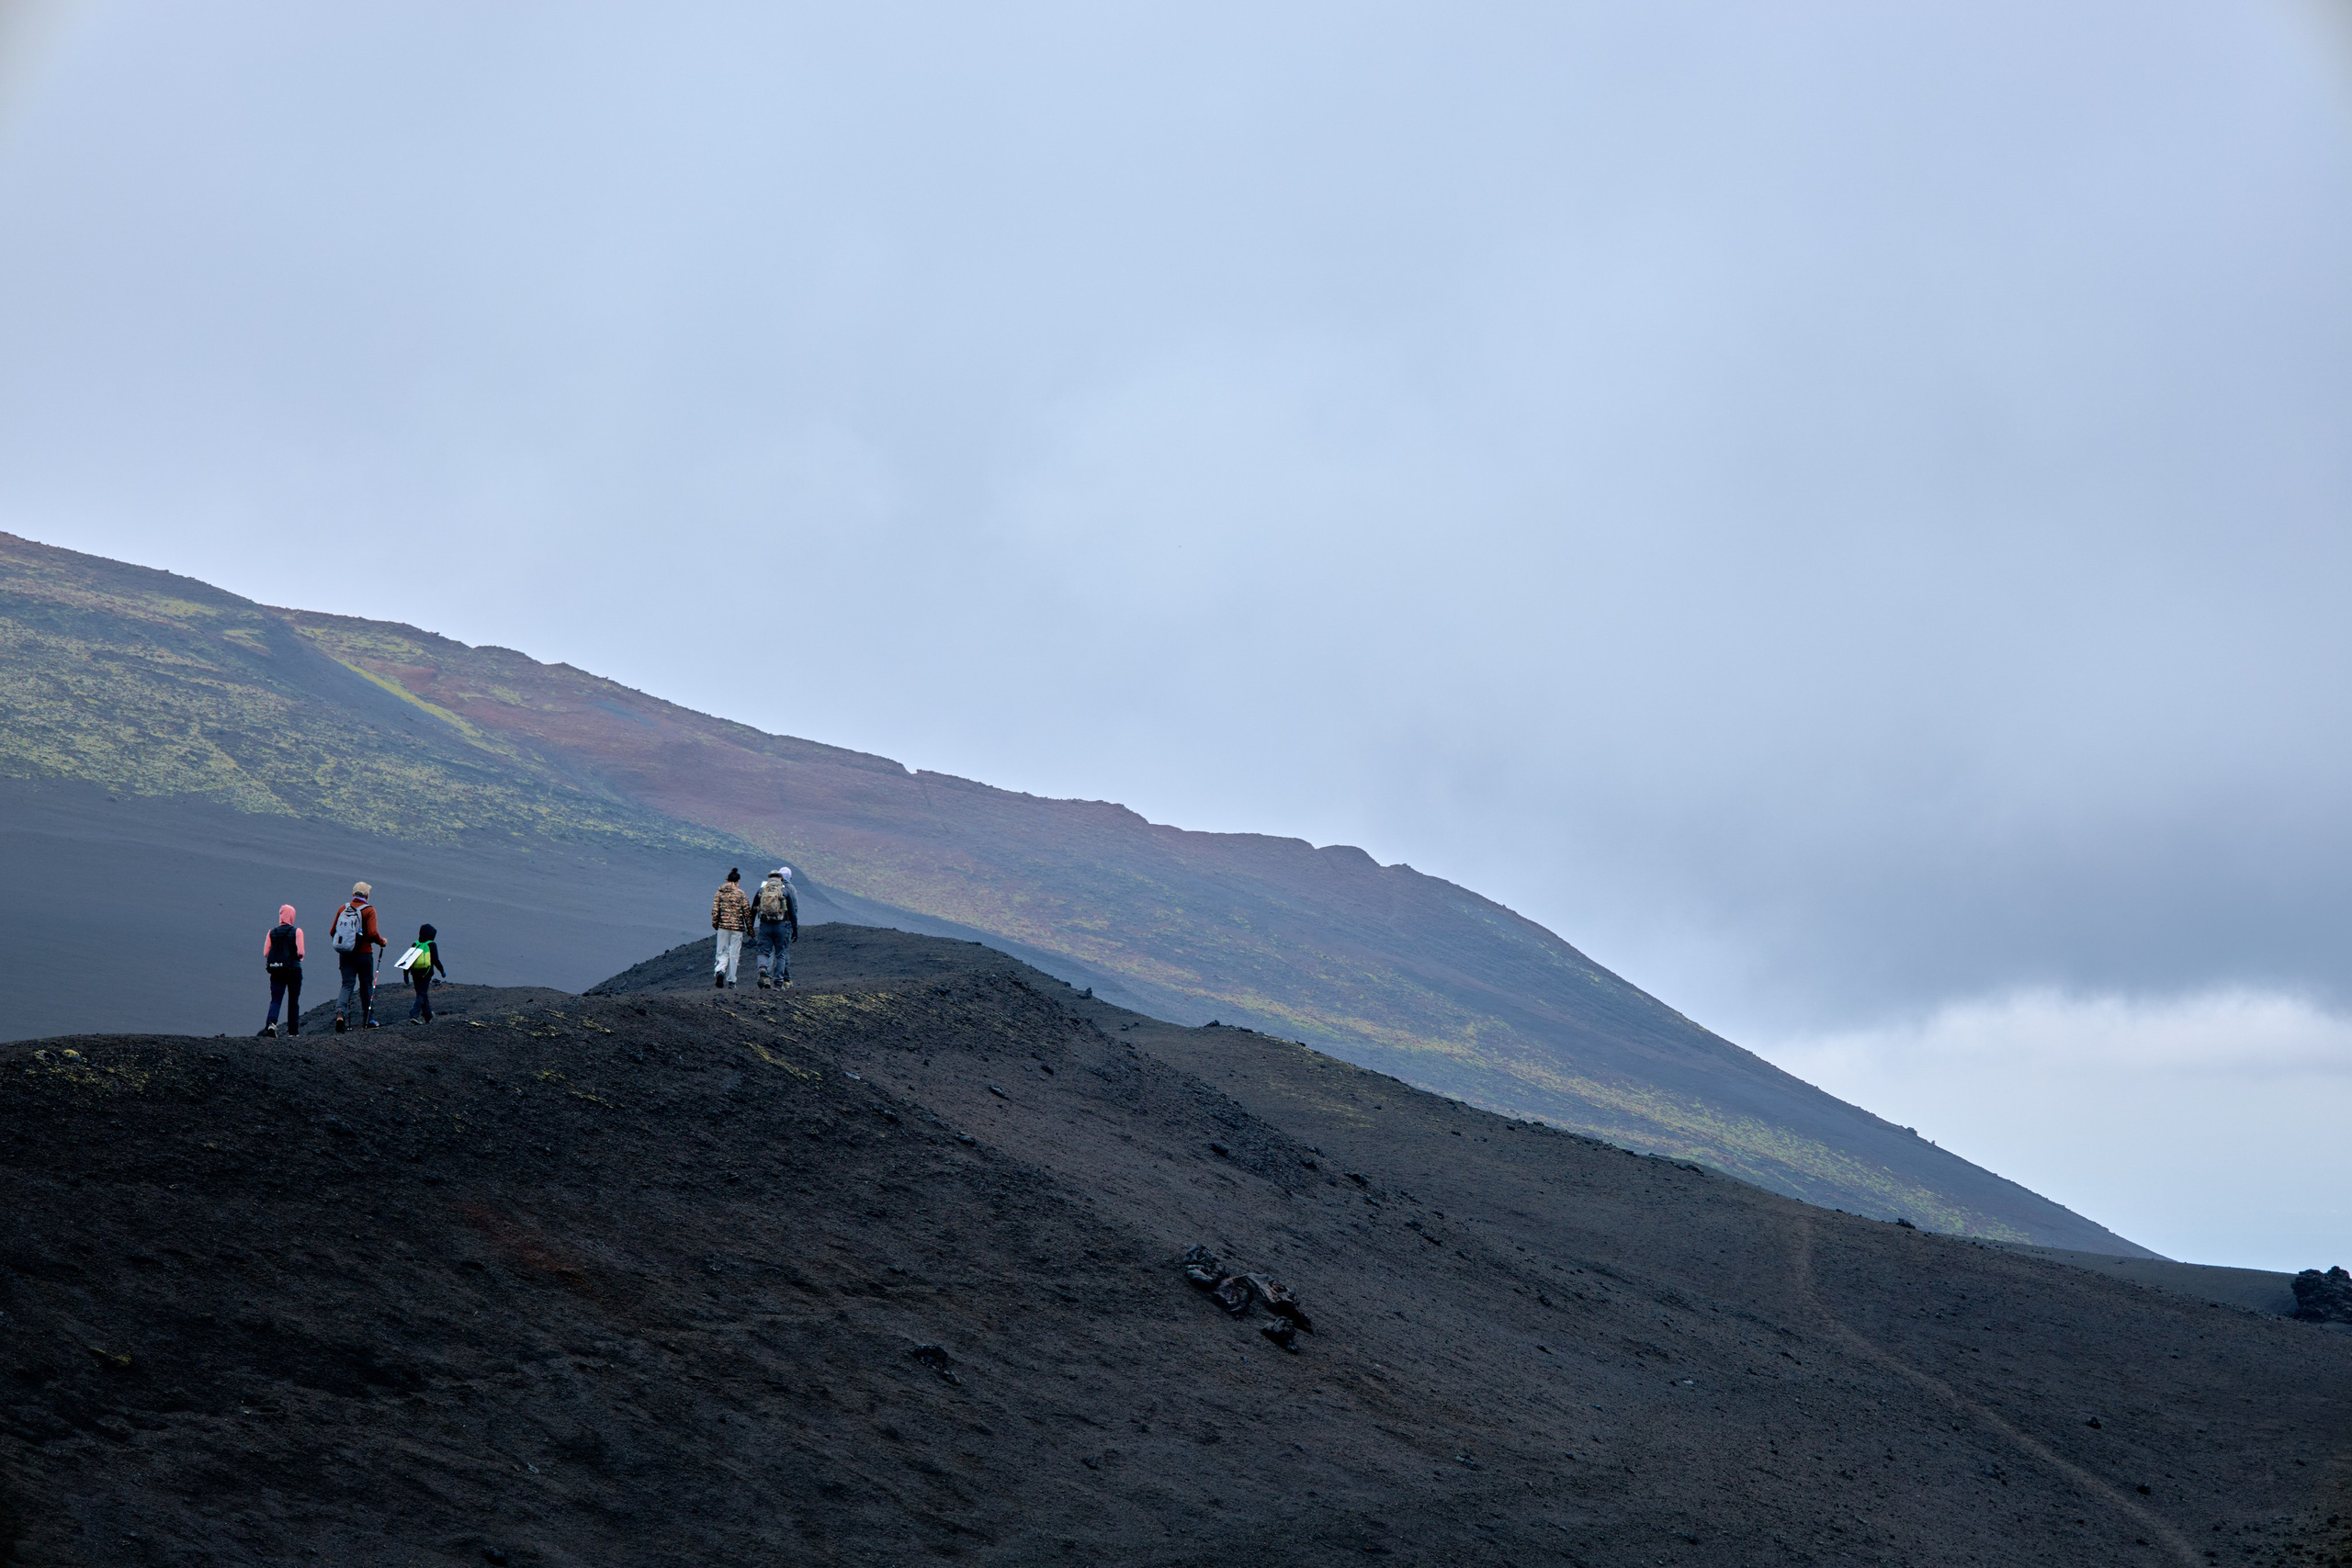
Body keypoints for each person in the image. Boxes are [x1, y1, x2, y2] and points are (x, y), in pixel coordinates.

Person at [330, 881, 387, 1032]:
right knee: (366, 986)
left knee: (347, 984)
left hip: (346, 954)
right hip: (364, 954)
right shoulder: (369, 910)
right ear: (367, 895)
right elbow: (373, 933)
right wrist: (382, 942)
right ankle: (368, 1021)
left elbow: (332, 932)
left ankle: (340, 1014)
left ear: (353, 894)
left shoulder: (343, 908)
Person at [261, 904, 304, 1038]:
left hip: (276, 971)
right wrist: (298, 958)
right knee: (293, 1000)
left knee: (276, 999)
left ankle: (271, 1024)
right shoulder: (297, 932)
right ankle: (293, 1032)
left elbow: (265, 953)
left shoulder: (271, 932)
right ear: (292, 916)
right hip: (293, 970)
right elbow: (301, 952)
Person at [752, 865, 799, 988]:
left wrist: (750, 927)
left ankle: (763, 968)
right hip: (781, 925)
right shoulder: (785, 891)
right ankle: (778, 983)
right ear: (780, 878)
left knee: (764, 951)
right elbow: (793, 912)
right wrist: (795, 929)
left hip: (765, 925)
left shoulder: (761, 890)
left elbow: (753, 910)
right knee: (780, 954)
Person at [710, 867, 752, 988]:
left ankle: (720, 970)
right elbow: (747, 913)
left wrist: (715, 924)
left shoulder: (720, 893)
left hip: (723, 927)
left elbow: (715, 911)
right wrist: (750, 929)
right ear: (738, 881)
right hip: (737, 928)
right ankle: (732, 980)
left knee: (722, 951)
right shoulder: (741, 894)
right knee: (734, 954)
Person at [403, 922, 447, 1023]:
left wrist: (406, 975)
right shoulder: (431, 945)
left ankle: (428, 1015)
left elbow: (407, 960)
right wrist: (442, 971)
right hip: (426, 974)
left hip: (415, 974)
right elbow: (435, 960)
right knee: (421, 994)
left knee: (422, 994)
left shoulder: (415, 944)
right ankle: (414, 1014)